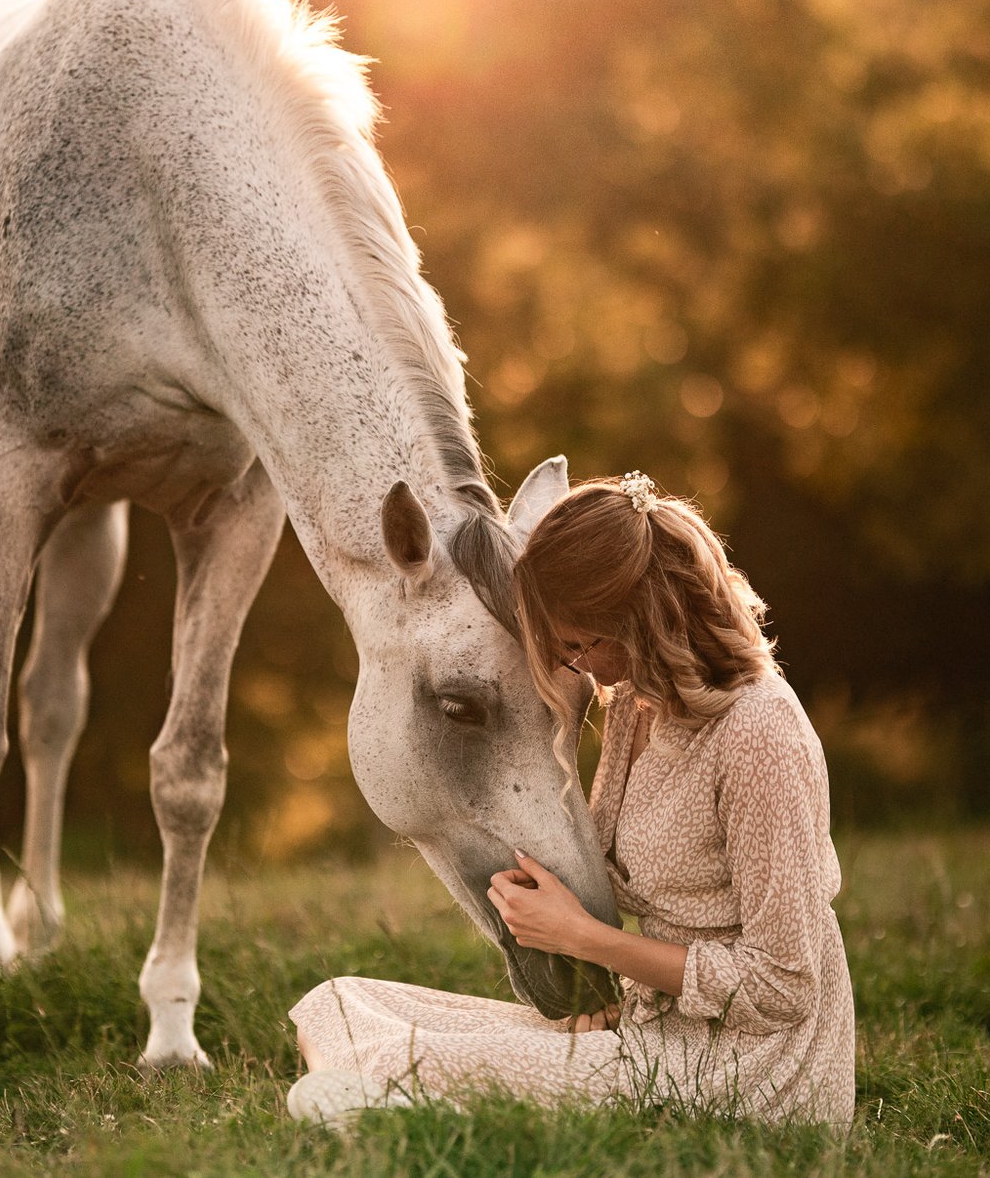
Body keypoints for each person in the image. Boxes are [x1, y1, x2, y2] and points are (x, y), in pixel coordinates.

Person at [286, 471, 855, 1128]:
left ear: (641, 619)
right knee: (336, 1004)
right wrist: (559, 928)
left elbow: (782, 987)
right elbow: (617, 862)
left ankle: (403, 1118)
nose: (575, 663)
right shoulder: (640, 703)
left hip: (748, 1070)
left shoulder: (759, 735)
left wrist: (588, 939)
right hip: (653, 1027)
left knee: (388, 1059)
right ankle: (403, 1107)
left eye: (582, 642)